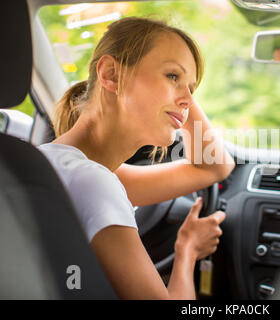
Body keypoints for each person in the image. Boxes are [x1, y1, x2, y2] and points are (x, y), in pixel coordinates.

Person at [38, 17, 235, 299]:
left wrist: (179, 93)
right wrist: (187, 250)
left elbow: (214, 166)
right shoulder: (94, 182)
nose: (189, 101)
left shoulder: (55, 164)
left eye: (192, 89)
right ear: (111, 74)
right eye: (172, 76)